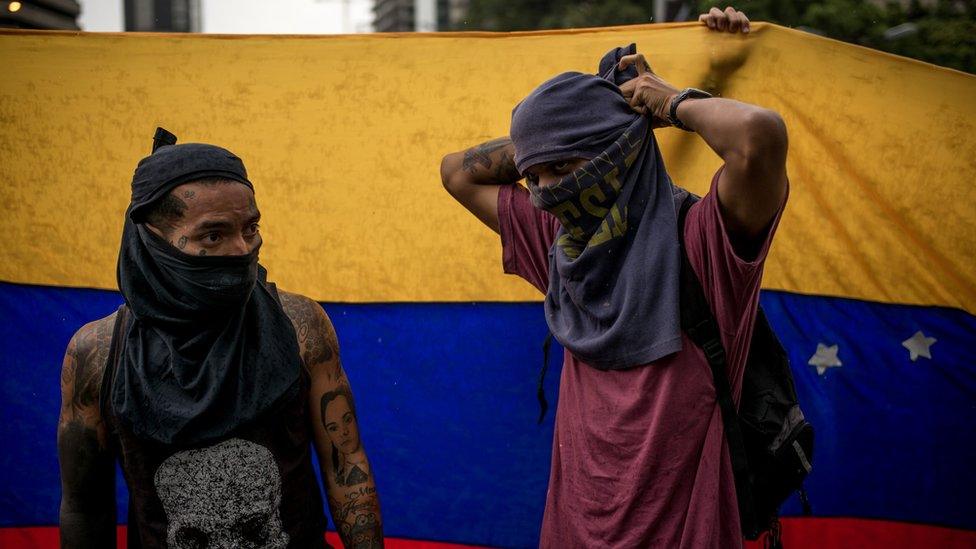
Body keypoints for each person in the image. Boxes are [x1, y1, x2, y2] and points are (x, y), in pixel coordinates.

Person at [440, 7, 787, 548]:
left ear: (616, 153)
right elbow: (456, 172)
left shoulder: (701, 244)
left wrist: (667, 102)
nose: (548, 191)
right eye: (536, 176)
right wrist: (550, 136)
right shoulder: (558, 244)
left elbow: (758, 139)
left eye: (565, 167)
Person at [57, 129, 383, 549]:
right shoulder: (98, 355)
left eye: (251, 228)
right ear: (152, 239)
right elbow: (85, 507)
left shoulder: (300, 326)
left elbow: (347, 468)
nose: (242, 248)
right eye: (213, 235)